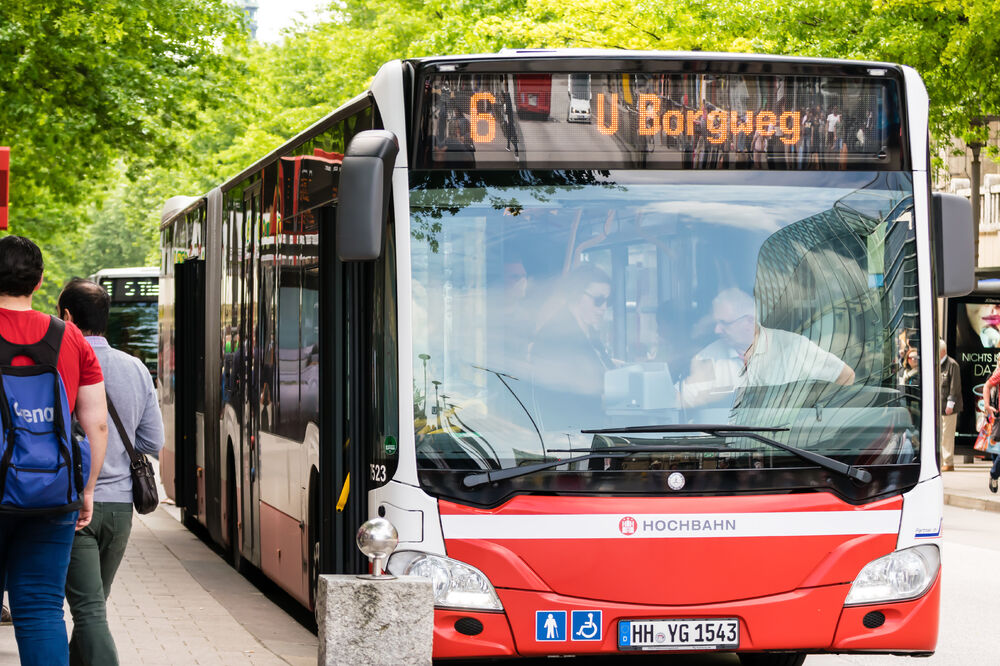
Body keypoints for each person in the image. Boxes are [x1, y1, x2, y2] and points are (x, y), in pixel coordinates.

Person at [0, 236, 107, 666]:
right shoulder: (71, 339)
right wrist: (87, 488)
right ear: (40, 281)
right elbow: (95, 422)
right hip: (52, 492)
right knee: (42, 610)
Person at [57, 278, 164, 665]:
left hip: (76, 507)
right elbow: (153, 440)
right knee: (94, 609)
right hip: (121, 511)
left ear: (66, 316)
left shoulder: (61, 362)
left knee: (89, 613)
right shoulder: (135, 368)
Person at [681, 287, 854, 410]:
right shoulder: (708, 357)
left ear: (749, 321)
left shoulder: (794, 347)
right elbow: (680, 405)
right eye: (716, 322)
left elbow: (846, 377)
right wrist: (701, 397)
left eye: (724, 323)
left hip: (785, 448)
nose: (716, 330)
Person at [530, 265, 616, 428]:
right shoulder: (556, 336)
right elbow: (565, 393)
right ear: (576, 294)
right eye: (598, 300)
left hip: (588, 428)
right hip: (569, 433)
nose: (604, 307)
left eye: (608, 301)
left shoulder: (590, 333)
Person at [939, 340, 962, 472]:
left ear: (942, 352)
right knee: (939, 435)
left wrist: (950, 404)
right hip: (938, 406)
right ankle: (941, 460)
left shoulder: (952, 365)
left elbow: (955, 386)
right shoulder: (936, 365)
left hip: (949, 408)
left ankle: (948, 461)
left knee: (947, 435)